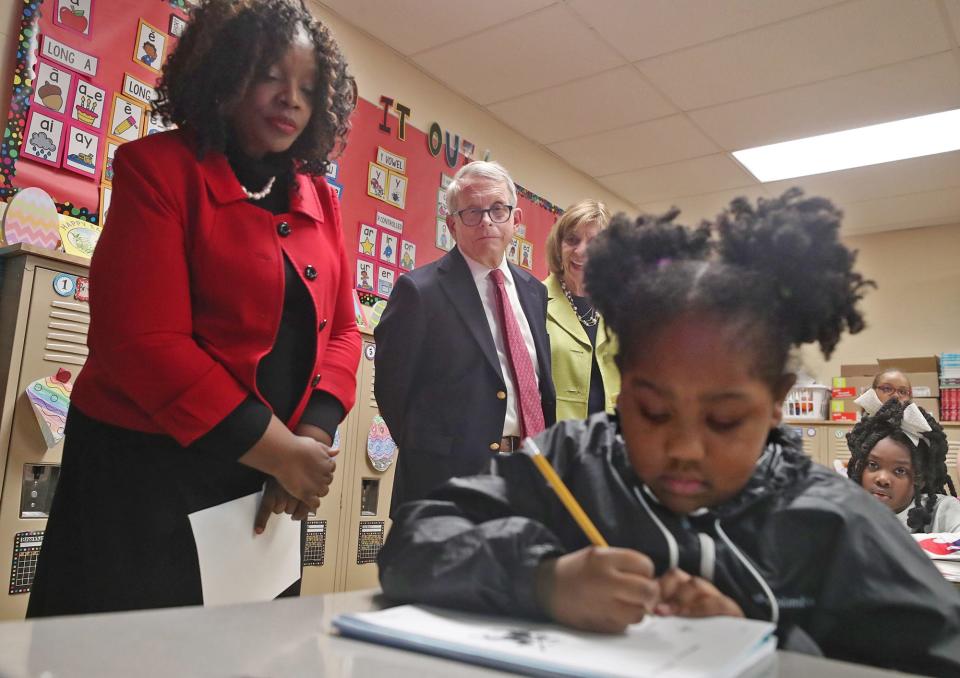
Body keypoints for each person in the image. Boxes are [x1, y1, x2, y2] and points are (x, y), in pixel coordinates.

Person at [378, 190, 960, 675]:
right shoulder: (575, 465)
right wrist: (541, 579)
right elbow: (413, 542)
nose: (683, 449)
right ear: (623, 386)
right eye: (652, 413)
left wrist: (765, 650)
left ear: (778, 404)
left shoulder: (831, 521)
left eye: (725, 420)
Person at [28, 0, 360, 616]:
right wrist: (282, 451)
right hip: (148, 481)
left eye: (308, 88)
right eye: (270, 75)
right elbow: (144, 344)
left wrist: (309, 440)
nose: (291, 98)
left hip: (267, 485)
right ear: (224, 72)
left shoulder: (320, 199)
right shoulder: (156, 169)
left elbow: (343, 331)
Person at [374, 161, 556, 513]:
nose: (487, 220)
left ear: (516, 220)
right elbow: (392, 393)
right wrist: (433, 457)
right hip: (447, 485)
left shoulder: (533, 291)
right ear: (453, 226)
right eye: (472, 211)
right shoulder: (420, 292)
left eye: (497, 209)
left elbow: (537, 384)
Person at [543, 199, 619, 421]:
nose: (581, 251)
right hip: (553, 444)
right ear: (559, 246)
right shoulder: (533, 300)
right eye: (572, 240)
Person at [847, 395, 960, 533]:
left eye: (900, 470)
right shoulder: (845, 510)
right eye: (873, 465)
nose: (882, 479)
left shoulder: (942, 510)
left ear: (921, 479)